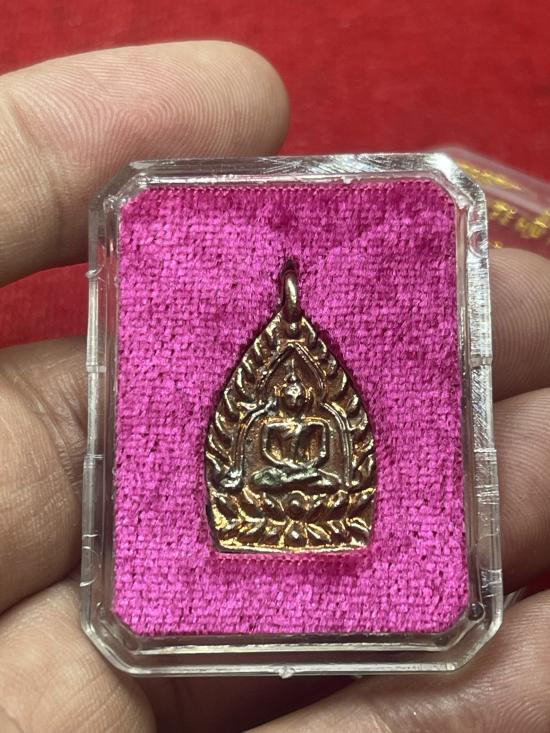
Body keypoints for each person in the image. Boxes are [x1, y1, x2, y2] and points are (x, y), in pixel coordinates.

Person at [0, 41, 549, 733]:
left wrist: (303, 469)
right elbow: (243, 465)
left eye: (296, 393)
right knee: (270, 480)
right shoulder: (264, 414)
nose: (292, 402)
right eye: (285, 393)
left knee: (310, 480)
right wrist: (264, 472)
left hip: (317, 505)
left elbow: (335, 460)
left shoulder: (316, 419)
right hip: (262, 507)